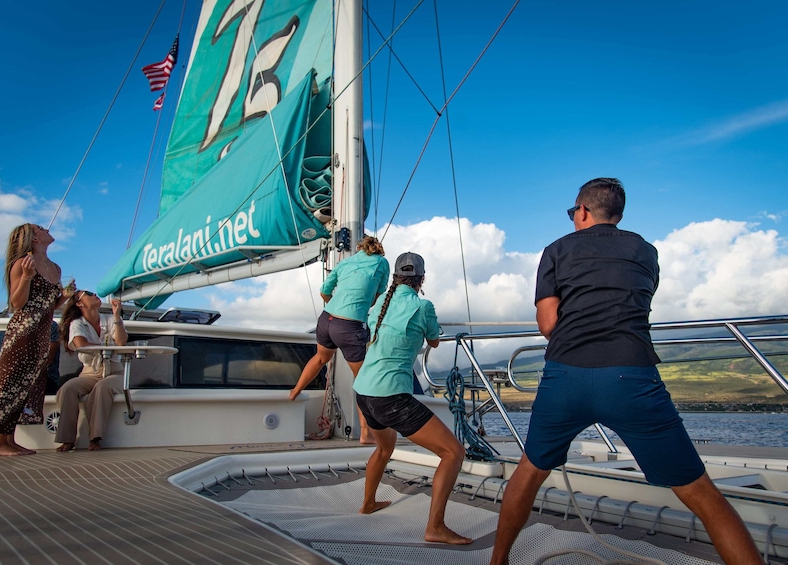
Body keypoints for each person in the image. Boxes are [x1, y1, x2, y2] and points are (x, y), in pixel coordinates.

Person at [488, 178, 762, 565]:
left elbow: (547, 324)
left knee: (529, 472)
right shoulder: (645, 251)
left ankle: (497, 562)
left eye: (572, 213)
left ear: (582, 211)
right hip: (631, 377)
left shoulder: (555, 250)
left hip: (567, 375)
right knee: (700, 491)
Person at [353, 252, 472, 545]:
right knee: (453, 452)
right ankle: (436, 527)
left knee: (384, 449)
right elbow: (433, 340)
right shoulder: (422, 306)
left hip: (364, 392)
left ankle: (368, 503)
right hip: (391, 396)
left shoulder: (380, 302)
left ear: (395, 278)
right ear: (421, 280)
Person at [0, 224, 74, 456]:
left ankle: (9, 440)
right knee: (9, 385)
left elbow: (49, 307)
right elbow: (17, 303)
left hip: (41, 334)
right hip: (22, 333)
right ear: (34, 239)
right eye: (41, 228)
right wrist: (26, 277)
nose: (48, 230)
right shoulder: (22, 264)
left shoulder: (55, 268)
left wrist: (64, 297)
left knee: (25, 387)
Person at [289, 235, 390, 444]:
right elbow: (378, 295)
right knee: (363, 381)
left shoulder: (345, 262)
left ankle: (294, 392)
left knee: (319, 359)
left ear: (360, 248)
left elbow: (324, 291)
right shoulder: (382, 263)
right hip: (350, 326)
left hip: (326, 320)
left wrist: (335, 304)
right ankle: (365, 433)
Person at [55, 290, 126, 451]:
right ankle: (67, 438)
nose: (95, 294)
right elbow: (81, 344)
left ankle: (95, 438)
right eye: (89, 293)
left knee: (102, 387)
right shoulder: (77, 323)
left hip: (114, 371)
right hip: (90, 372)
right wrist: (105, 348)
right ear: (80, 303)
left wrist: (116, 317)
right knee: (68, 389)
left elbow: (121, 343)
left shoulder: (110, 320)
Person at [19, 320, 61, 424]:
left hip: (46, 378)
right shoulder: (16, 325)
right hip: (21, 379)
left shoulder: (49, 325)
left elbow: (47, 360)